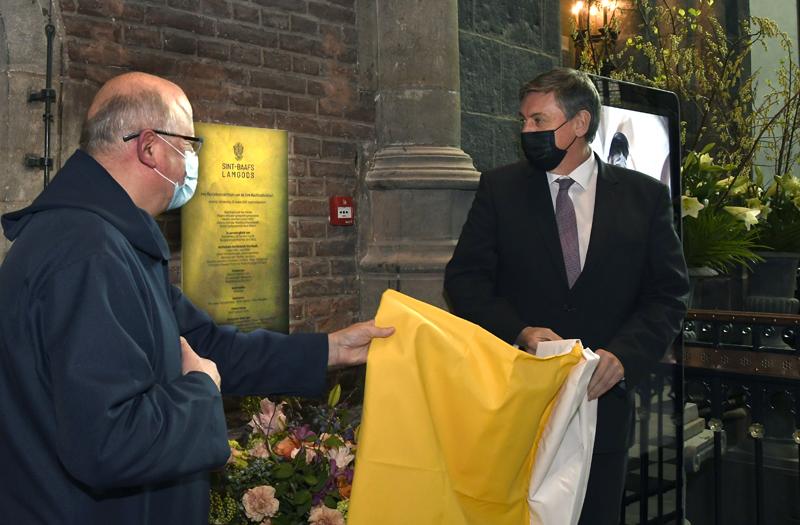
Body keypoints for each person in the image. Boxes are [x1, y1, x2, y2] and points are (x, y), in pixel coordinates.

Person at [0, 72, 394, 525]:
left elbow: (209, 345)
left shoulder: (112, 239)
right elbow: (108, 441)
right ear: (149, 148)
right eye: (188, 145)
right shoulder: (87, 253)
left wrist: (332, 348)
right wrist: (201, 389)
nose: (192, 159)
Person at [444, 68, 689, 525]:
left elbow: (669, 294)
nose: (526, 132)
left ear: (579, 123)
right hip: (518, 404)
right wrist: (520, 330)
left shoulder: (644, 197)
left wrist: (624, 356)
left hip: (603, 405)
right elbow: (465, 280)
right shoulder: (500, 190)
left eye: (539, 121)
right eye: (523, 121)